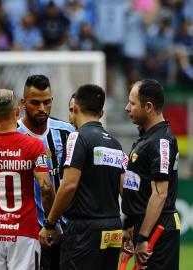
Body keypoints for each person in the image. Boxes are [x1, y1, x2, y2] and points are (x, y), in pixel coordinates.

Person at [39, 84, 126, 270]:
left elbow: (69, 185)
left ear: (76, 108)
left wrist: (50, 222)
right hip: (113, 228)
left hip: (85, 230)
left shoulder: (77, 137)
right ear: (101, 113)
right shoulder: (115, 144)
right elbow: (125, 190)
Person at [0, 89, 55, 270]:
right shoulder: (33, 145)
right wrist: (50, 222)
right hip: (23, 230)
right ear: (17, 112)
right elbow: (46, 186)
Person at [17, 74, 74, 270]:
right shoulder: (13, 135)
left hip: (65, 230)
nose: (42, 109)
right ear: (23, 102)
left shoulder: (67, 132)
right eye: (35, 103)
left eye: (46, 102)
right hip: (26, 232)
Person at [122, 79, 180, 269]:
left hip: (158, 229)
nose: (126, 108)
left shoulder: (161, 141)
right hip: (143, 226)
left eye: (132, 103)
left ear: (148, 107)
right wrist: (129, 226)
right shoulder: (146, 138)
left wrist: (143, 237)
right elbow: (136, 188)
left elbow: (160, 193)